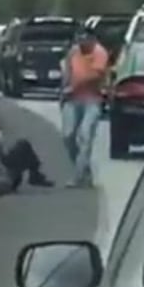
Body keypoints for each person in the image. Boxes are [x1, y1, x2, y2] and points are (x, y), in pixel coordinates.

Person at [60, 25, 108, 188]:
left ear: (92, 39)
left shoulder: (99, 53)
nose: (81, 42)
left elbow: (95, 75)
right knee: (68, 136)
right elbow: (68, 71)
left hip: (92, 99)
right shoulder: (73, 52)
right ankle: (83, 168)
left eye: (84, 39)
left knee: (85, 135)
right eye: (78, 38)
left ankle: (78, 176)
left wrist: (74, 86)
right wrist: (64, 90)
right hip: (72, 99)